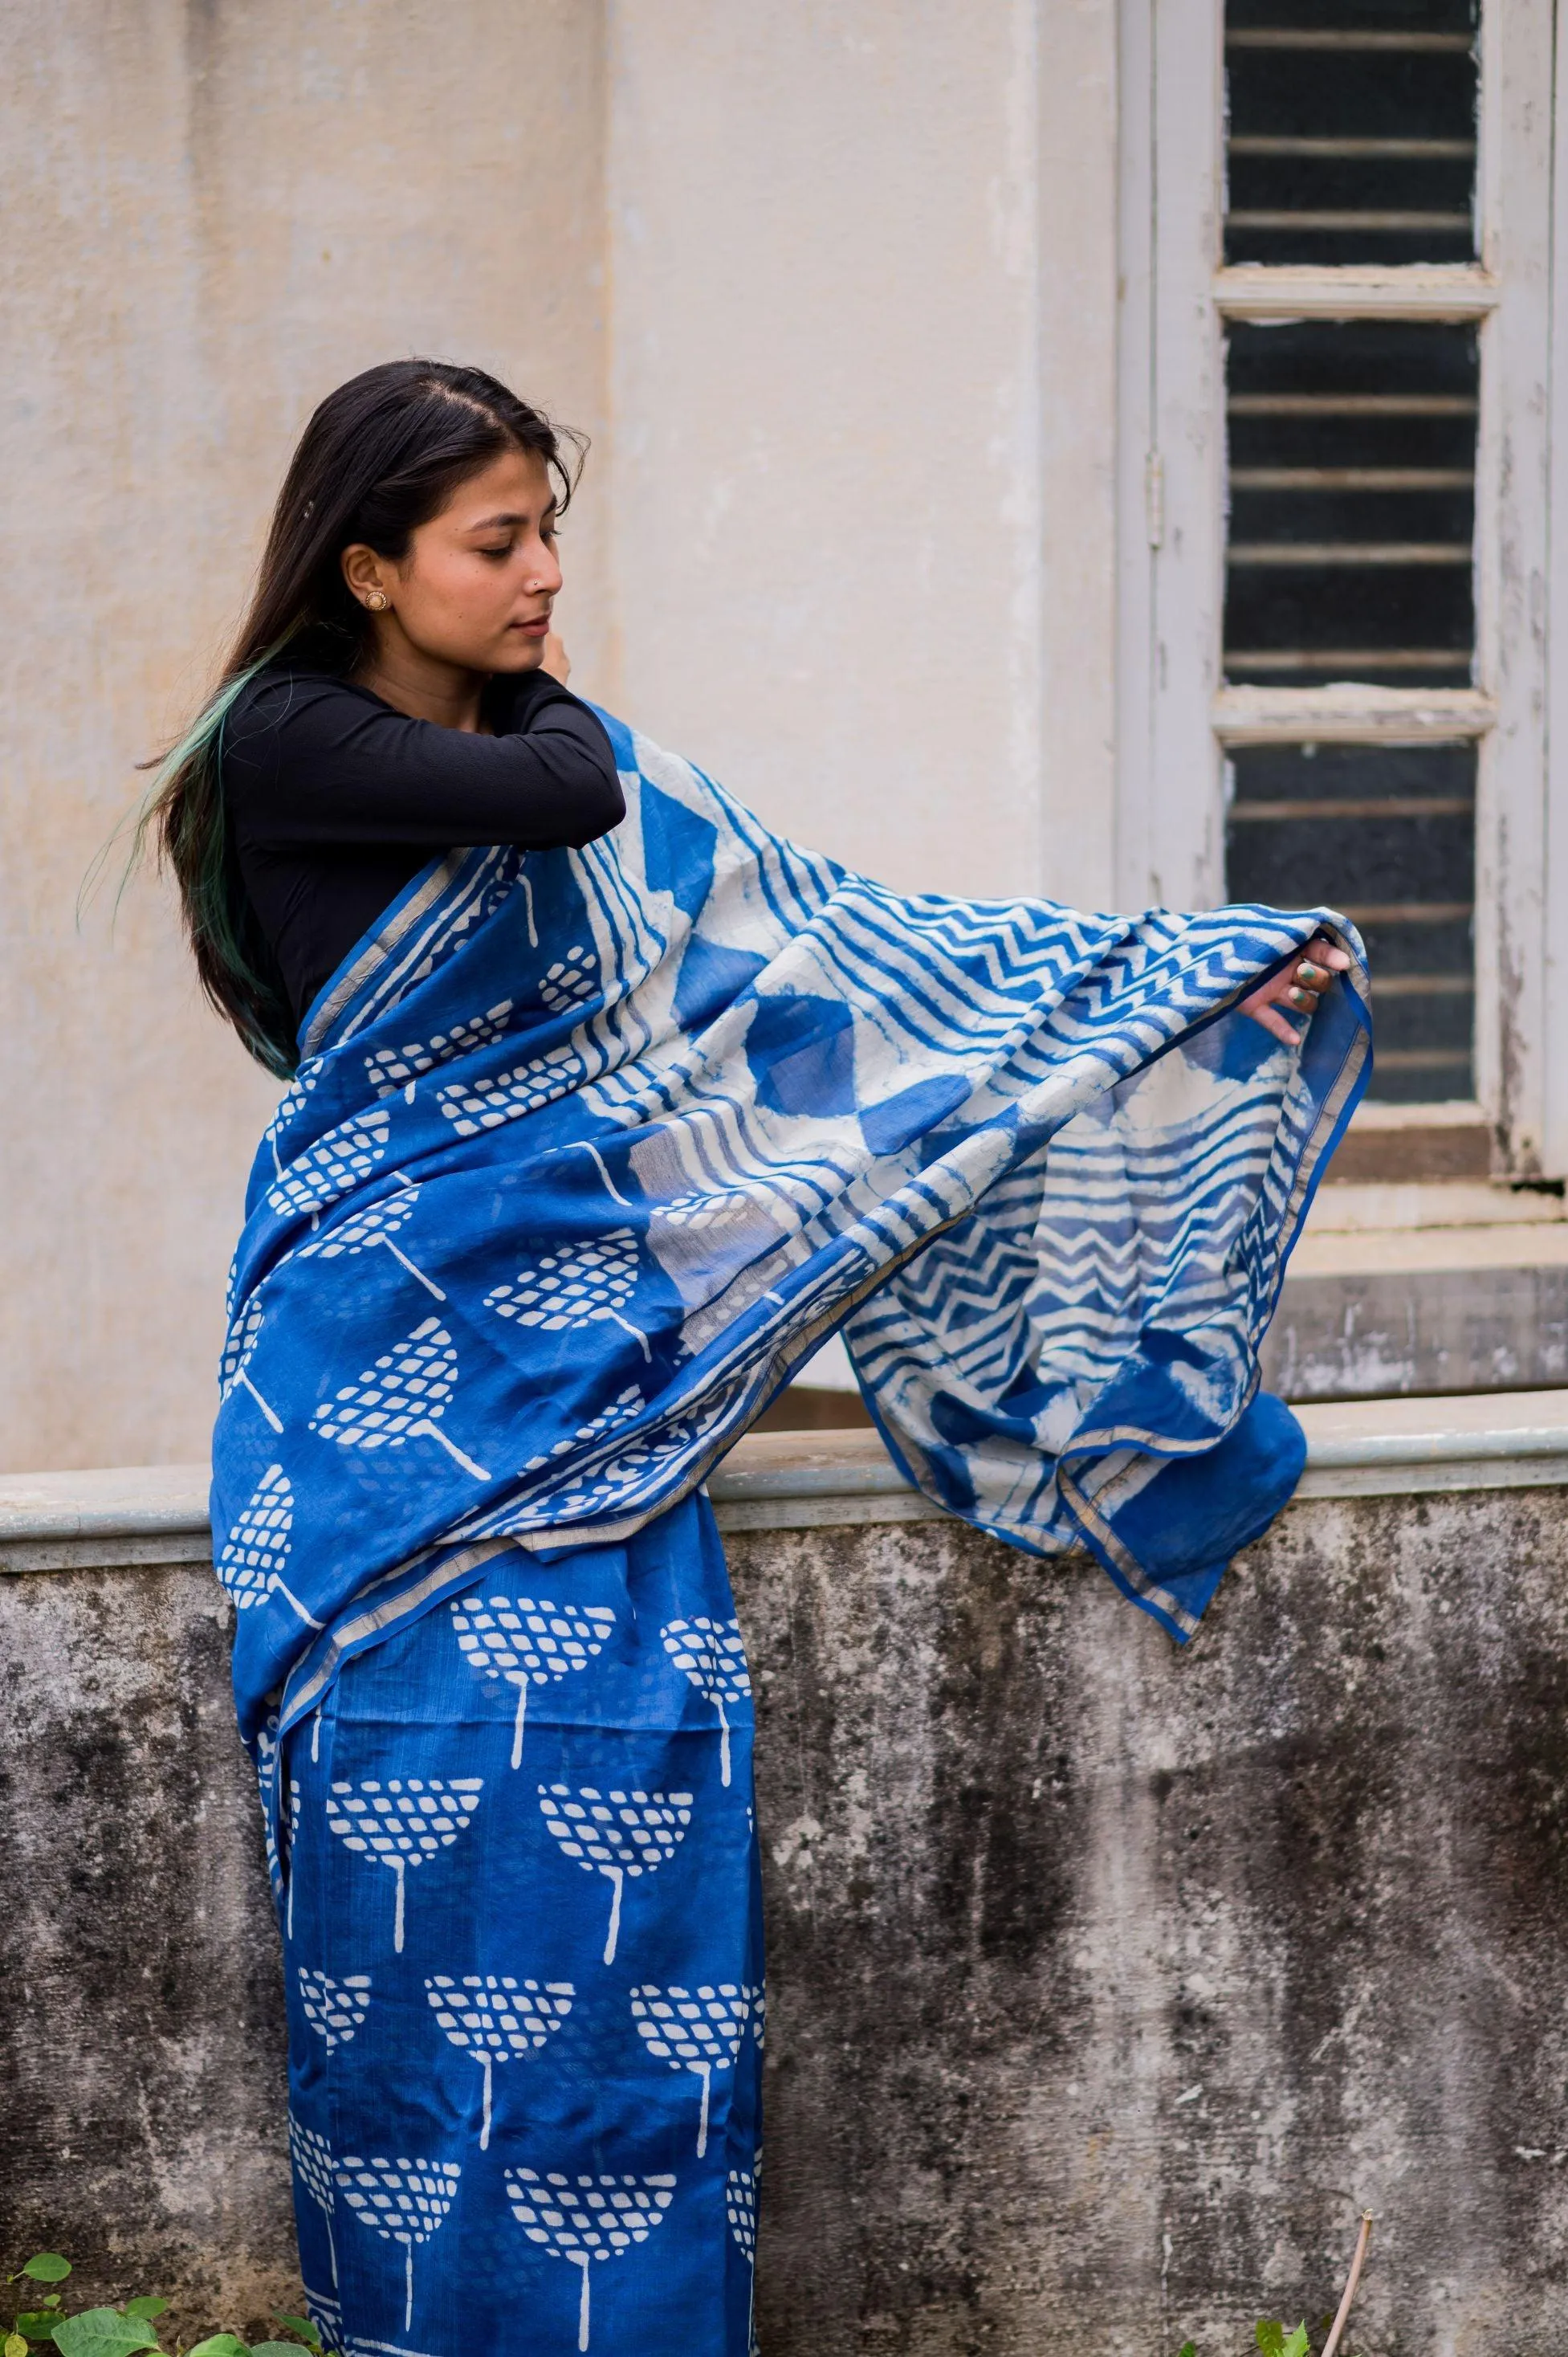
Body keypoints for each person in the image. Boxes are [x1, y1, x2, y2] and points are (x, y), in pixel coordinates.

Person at [145, 361, 1364, 2357]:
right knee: (424, 1964)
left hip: (608, 1434)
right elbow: (566, 788)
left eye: (553, 530)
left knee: (640, 1971)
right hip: (387, 1441)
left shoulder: (579, 760)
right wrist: (559, 715)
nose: (546, 574)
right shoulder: (296, 738)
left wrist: (1175, 972)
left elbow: (839, 960)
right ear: (364, 567)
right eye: (497, 540)